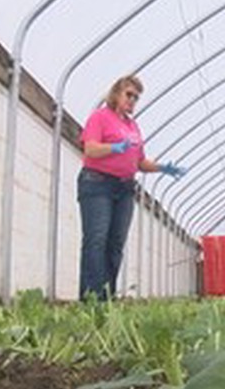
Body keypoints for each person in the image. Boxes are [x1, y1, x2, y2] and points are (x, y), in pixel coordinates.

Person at [76, 74, 185, 301]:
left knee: (116, 244)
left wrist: (163, 168)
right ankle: (91, 298)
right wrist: (114, 148)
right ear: (116, 93)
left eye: (136, 97)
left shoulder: (133, 126)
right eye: (129, 94)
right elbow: (91, 149)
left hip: (124, 189)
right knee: (96, 240)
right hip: (97, 184)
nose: (132, 100)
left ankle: (107, 296)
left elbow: (139, 162)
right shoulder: (100, 117)